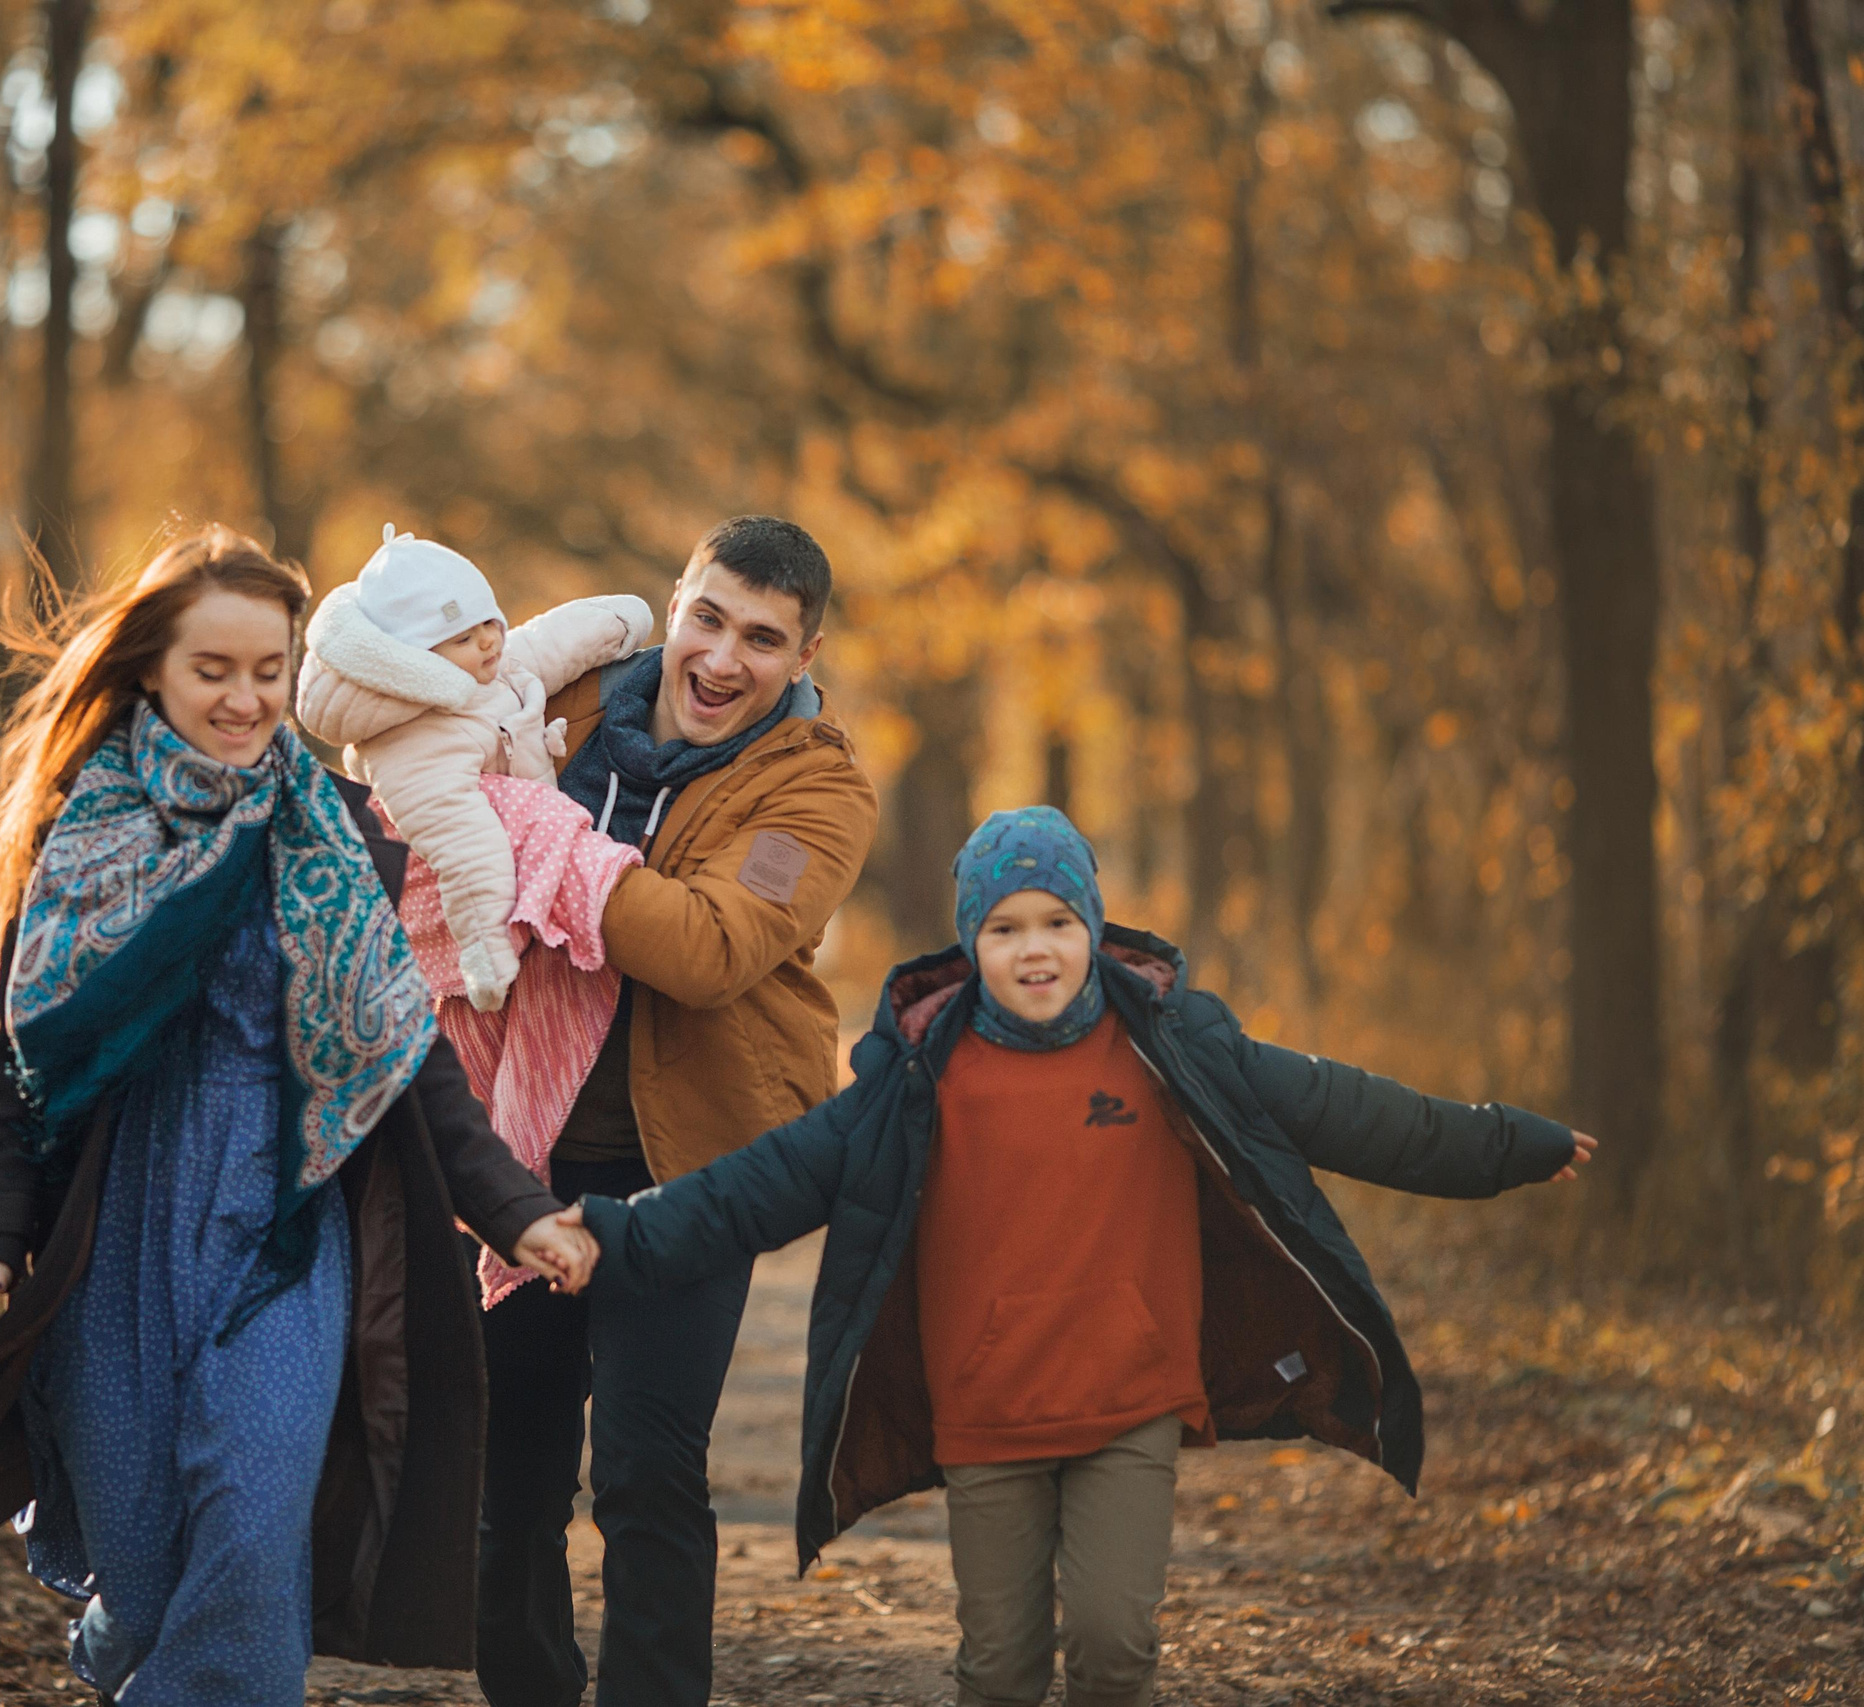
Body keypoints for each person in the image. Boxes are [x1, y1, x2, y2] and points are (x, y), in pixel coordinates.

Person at [0, 527, 599, 1707]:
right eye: (213, 671)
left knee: (249, 1540)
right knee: (142, 1568)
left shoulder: (332, 833)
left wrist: (514, 1213)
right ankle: (124, 1637)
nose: (246, 701)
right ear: (151, 671)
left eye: (269, 671)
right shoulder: (80, 835)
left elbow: (404, 1054)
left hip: (286, 1238)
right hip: (116, 1235)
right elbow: (10, 1060)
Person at [565, 805, 1599, 1707]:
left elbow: (1353, 1111)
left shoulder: (1176, 1050)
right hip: (984, 1413)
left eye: (1057, 922)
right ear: (970, 944)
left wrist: (1508, 1145)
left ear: (1093, 928)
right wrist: (615, 1232)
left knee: (1114, 1649)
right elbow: (763, 1185)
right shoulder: (916, 1078)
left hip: (1130, 1402)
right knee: (1001, 1669)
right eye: (1005, 928)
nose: (1035, 949)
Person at [476, 515, 879, 1707]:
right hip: (516, 1149)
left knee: (649, 1475)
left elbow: (708, 949)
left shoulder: (816, 789)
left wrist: (552, 838)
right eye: (708, 617)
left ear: (802, 657)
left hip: (685, 1169)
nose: (721, 659)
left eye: (762, 639)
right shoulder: (571, 698)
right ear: (676, 601)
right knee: (511, 1479)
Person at [294, 523, 651, 1013]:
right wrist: (487, 956)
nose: (488, 643)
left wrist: (617, 622)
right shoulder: (413, 747)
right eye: (464, 637)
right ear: (414, 662)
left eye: (489, 624)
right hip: (466, 912)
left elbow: (549, 643)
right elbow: (466, 851)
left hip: (530, 853)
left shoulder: (480, 668)